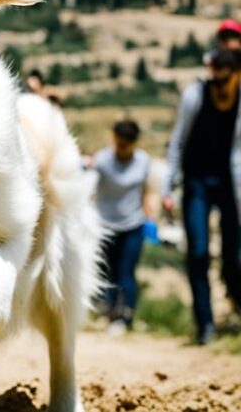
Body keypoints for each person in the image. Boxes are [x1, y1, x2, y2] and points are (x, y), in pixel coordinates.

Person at [163, 48, 241, 344]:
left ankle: (236, 303)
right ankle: (205, 325)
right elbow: (178, 141)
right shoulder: (195, 95)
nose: (218, 83)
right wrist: (168, 187)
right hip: (196, 182)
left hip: (232, 186)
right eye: (214, 76)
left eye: (224, 77)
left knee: (233, 256)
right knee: (198, 252)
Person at [89, 120, 151, 334]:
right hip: (105, 225)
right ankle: (108, 312)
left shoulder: (143, 161)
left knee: (127, 273)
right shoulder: (102, 160)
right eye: (119, 143)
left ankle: (126, 317)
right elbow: (89, 186)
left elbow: (144, 190)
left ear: (134, 143)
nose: (122, 149)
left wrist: (150, 219)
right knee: (107, 272)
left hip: (133, 225)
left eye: (127, 144)